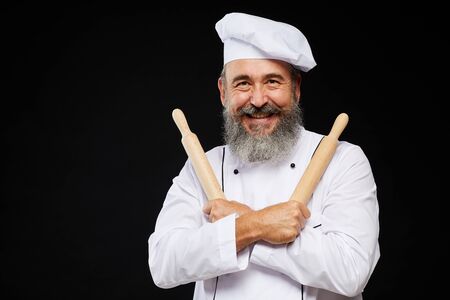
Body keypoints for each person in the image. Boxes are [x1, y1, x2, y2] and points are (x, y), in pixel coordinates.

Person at [148, 12, 380, 300]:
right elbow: (164, 263)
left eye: (272, 82)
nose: (257, 100)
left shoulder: (343, 161)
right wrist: (255, 225)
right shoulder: (203, 165)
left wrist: (236, 225)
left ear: (295, 89)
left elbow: (351, 272)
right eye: (243, 83)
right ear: (224, 92)